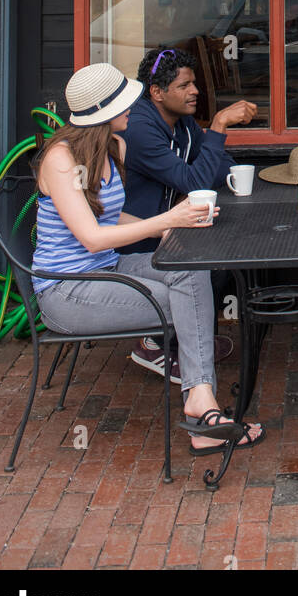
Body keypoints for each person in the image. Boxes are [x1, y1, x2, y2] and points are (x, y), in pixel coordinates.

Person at [34, 63, 264, 457]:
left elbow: (108, 216)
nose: (134, 107)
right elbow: (91, 237)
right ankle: (204, 412)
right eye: (125, 102)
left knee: (190, 270)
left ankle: (199, 399)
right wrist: (166, 219)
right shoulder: (60, 160)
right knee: (184, 302)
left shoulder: (114, 147)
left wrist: (167, 230)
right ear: (103, 111)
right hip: (66, 291)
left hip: (107, 270)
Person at [123, 46, 257, 380]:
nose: (195, 91)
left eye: (193, 83)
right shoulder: (139, 127)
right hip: (134, 239)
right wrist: (220, 123)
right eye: (184, 85)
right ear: (157, 92)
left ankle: (189, 340)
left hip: (170, 227)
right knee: (206, 260)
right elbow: (194, 179)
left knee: (223, 250)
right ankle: (156, 344)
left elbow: (210, 163)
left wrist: (232, 175)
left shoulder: (181, 123)